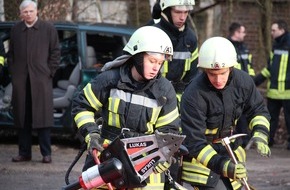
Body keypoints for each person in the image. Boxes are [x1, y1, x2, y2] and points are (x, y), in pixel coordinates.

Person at [71, 26, 180, 189]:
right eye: (152, 61)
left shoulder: (164, 90)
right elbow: (82, 105)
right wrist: (92, 135)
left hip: (147, 171)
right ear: (137, 57)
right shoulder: (109, 80)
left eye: (160, 62)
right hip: (107, 161)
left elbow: (170, 132)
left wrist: (163, 157)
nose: (156, 68)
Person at [180, 37, 271, 189]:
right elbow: (195, 141)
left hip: (232, 154)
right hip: (203, 164)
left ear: (231, 67)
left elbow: (258, 110)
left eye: (222, 73)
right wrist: (223, 166)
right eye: (212, 74)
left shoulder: (243, 82)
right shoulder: (193, 94)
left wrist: (260, 134)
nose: (218, 79)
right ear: (204, 70)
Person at [8, 0, 60, 163]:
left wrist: (49, 73)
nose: (28, 14)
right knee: (23, 118)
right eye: (25, 12)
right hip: (21, 82)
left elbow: (56, 53)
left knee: (43, 119)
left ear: (37, 11)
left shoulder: (48, 29)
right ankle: (24, 153)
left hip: (41, 81)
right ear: (21, 13)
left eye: (31, 11)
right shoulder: (16, 29)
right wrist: (14, 73)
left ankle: (46, 153)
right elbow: (11, 55)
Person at [155, 0, 198, 108]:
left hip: (178, 101)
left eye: (186, 12)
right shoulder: (153, 34)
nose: (182, 17)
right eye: (178, 12)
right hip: (153, 97)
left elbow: (192, 76)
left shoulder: (190, 38)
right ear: (167, 11)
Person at [254, 19, 290, 150]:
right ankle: (268, 141)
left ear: (282, 30)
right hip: (273, 90)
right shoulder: (275, 45)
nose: (271, 32)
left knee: (289, 120)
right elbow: (270, 68)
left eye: (274, 30)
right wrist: (255, 81)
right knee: (270, 119)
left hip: (287, 91)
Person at [228, 22, 256, 147]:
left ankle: (244, 140)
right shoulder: (227, 47)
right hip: (232, 88)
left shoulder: (244, 47)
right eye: (243, 32)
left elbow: (249, 66)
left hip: (245, 88)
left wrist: (251, 82)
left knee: (244, 115)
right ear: (237, 32)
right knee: (233, 115)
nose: (244, 34)